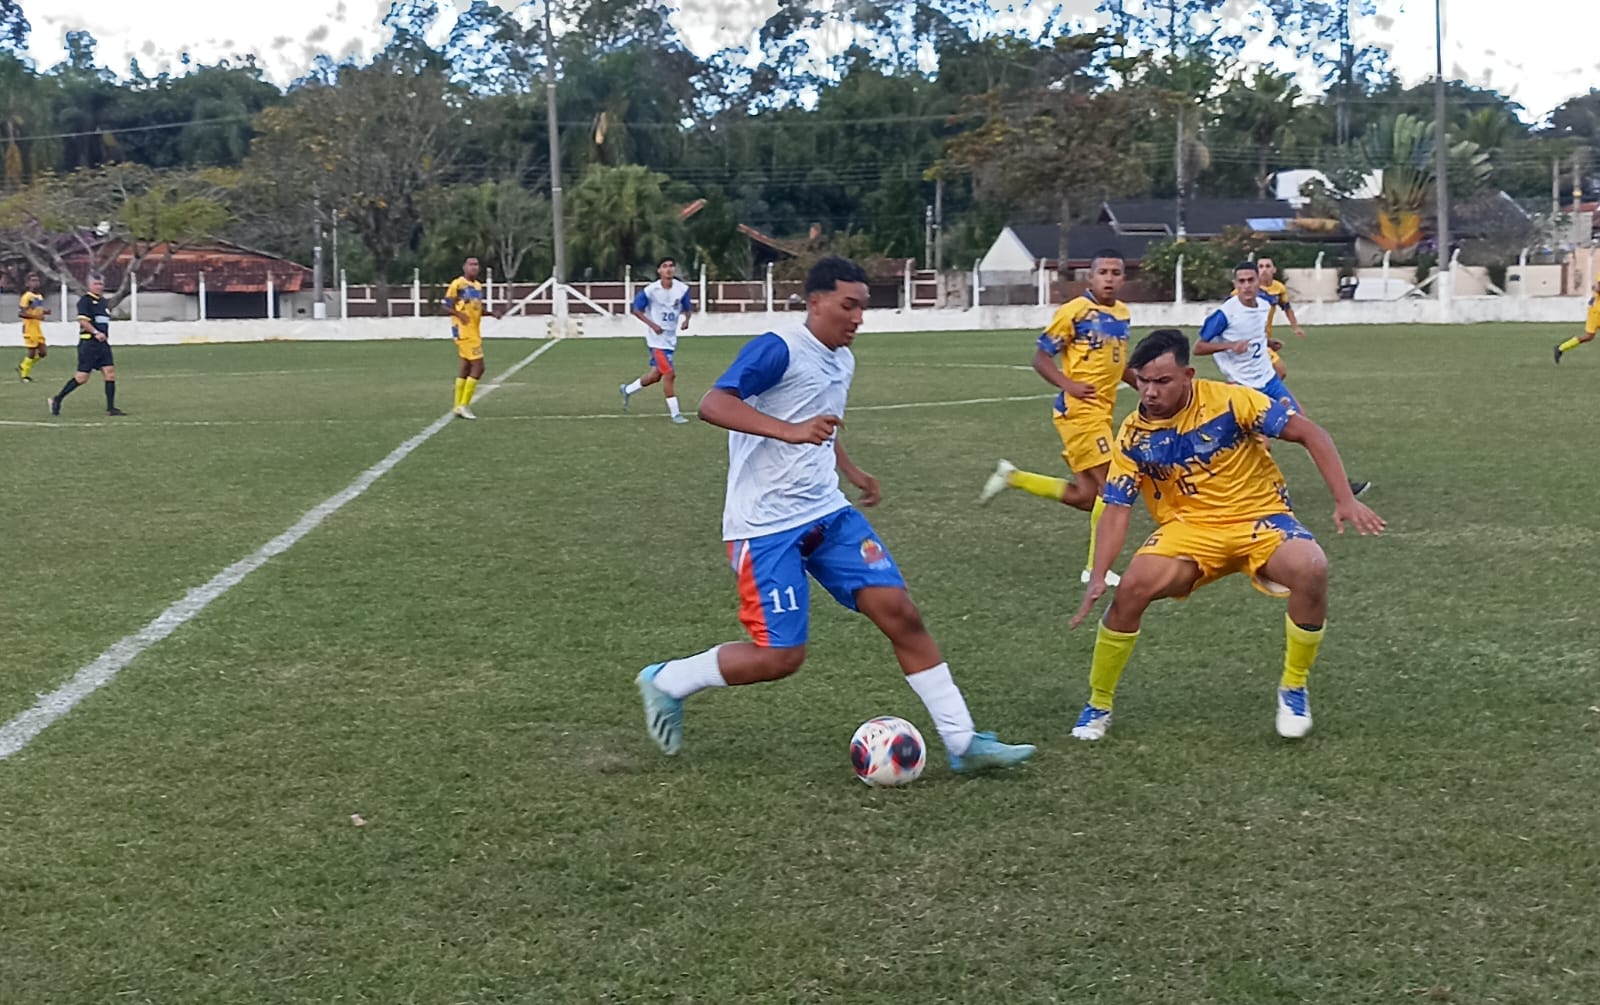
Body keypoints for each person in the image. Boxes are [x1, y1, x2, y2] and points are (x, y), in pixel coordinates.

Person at [634, 256, 1036, 774]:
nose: (858, 318)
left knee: (902, 614)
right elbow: (714, 403)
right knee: (780, 657)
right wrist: (791, 432)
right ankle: (667, 680)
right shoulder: (779, 347)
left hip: (828, 512)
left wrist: (850, 469)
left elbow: (823, 423)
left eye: (864, 308)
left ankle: (963, 742)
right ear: (816, 301)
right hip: (765, 526)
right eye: (849, 306)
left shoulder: (842, 360)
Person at [1066, 329, 1385, 741]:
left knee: (1312, 568)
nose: (1149, 392)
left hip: (1261, 519)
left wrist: (1344, 499)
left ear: (1188, 375)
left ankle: (1293, 686)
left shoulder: (1233, 401)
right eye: (1143, 380)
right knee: (1131, 589)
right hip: (1190, 530)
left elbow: (1310, 433)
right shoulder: (1132, 435)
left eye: (1162, 381)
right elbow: (1116, 507)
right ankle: (1098, 703)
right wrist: (1098, 573)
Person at [978, 249, 1134, 585]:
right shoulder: (1074, 311)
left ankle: (1014, 478)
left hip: (1102, 412)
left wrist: (1151, 388)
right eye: (1103, 271)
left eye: (1116, 272)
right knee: (1114, 487)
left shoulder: (1122, 314)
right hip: (1080, 412)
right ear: (1090, 277)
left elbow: (1119, 364)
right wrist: (1069, 384)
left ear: (1123, 278)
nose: (1109, 278)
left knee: (1086, 497)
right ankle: (1096, 570)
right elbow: (1041, 357)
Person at [1196, 262, 1369, 497]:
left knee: (1306, 428)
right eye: (1241, 281)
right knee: (1260, 443)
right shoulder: (1225, 314)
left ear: (1259, 282)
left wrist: (1267, 343)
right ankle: (1249, 491)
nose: (1246, 286)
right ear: (1235, 284)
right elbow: (1198, 347)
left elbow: (1254, 334)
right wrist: (1229, 346)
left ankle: (1344, 487)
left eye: (1250, 280)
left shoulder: (1265, 305)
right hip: (1244, 388)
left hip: (1269, 381)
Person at [620, 257, 694, 424]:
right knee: (669, 373)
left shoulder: (681, 289)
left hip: (670, 340)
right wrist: (652, 325)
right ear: (659, 271)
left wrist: (686, 320)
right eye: (664, 266)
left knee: (655, 376)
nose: (668, 269)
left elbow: (688, 308)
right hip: (656, 341)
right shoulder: (651, 291)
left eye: (671, 266)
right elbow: (636, 310)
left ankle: (628, 389)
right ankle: (675, 413)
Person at [48, 274, 124, 417]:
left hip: (102, 345)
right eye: (96, 284)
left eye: (101, 284)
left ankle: (111, 408)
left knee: (110, 373)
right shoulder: (85, 301)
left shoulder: (103, 302)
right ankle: (57, 399)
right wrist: (96, 332)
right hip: (89, 343)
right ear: (89, 285)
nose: (99, 287)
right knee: (82, 378)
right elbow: (83, 321)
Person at [443, 257, 502, 419]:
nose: (474, 267)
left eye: (476, 264)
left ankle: (457, 406)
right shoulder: (458, 284)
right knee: (479, 367)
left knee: (466, 367)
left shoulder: (477, 286)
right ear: (464, 267)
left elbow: (476, 308)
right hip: (463, 331)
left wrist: (490, 313)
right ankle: (464, 405)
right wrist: (458, 314)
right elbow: (445, 305)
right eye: (471, 264)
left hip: (473, 331)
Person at [1254, 256, 1306, 381]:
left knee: (1265, 375)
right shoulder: (1249, 289)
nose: (1264, 270)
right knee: (1280, 371)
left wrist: (1295, 327)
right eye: (1260, 267)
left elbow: (1287, 307)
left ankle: (1257, 398)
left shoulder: (1278, 288)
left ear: (1274, 270)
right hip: (1252, 340)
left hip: (1263, 339)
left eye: (1267, 266)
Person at [1553, 273, 1600, 363]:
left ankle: (1560, 348)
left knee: (1588, 337)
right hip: (1596, 312)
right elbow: (1597, 287)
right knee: (1588, 336)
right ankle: (1560, 348)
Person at [17, 271, 50, 381]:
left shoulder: (39, 296)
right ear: (27, 284)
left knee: (43, 352)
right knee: (31, 352)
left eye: (37, 280)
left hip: (37, 327)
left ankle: (23, 366)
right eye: (33, 281)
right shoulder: (26, 297)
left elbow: (35, 310)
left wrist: (44, 312)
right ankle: (24, 374)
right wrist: (37, 317)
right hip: (29, 327)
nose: (36, 283)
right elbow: (21, 313)